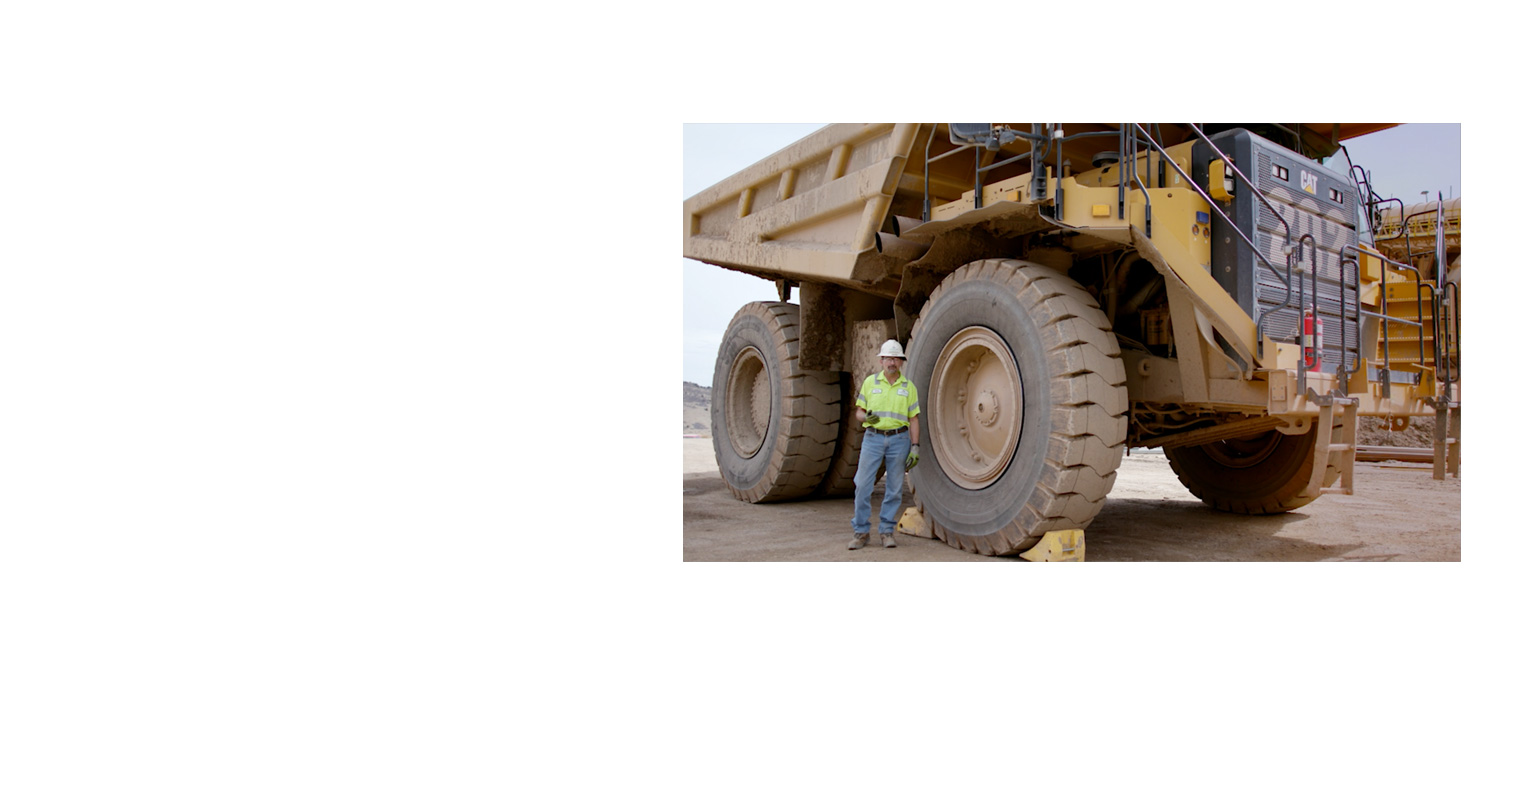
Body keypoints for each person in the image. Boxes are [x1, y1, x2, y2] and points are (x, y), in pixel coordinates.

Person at [850, 339, 921, 550]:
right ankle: (861, 532)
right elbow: (859, 412)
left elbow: (914, 419)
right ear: (881, 361)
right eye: (888, 358)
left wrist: (915, 446)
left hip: (899, 440)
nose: (891, 362)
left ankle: (886, 531)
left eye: (895, 359)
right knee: (862, 485)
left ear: (901, 362)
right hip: (873, 438)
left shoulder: (909, 388)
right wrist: (865, 418)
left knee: (895, 488)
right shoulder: (870, 383)